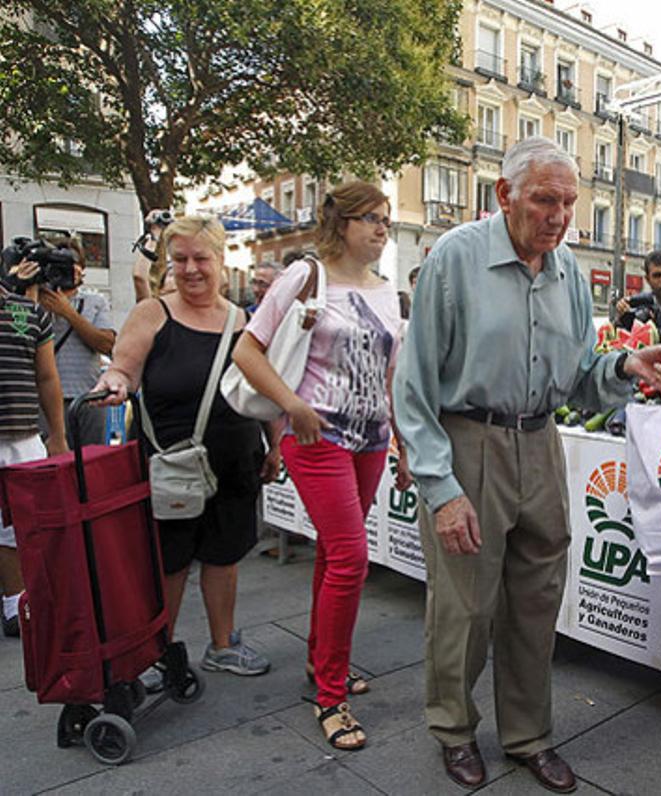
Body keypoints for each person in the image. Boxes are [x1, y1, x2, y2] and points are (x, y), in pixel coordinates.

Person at [394, 136, 661, 792]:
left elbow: (579, 377)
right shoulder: (455, 259)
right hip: (468, 443)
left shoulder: (570, 273)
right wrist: (441, 487)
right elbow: (413, 389)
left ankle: (528, 735)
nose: (559, 216)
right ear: (504, 195)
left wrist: (625, 366)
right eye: (545, 200)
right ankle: (454, 729)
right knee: (462, 608)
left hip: (541, 444)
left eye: (569, 203)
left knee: (535, 600)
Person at [232, 181, 407, 751]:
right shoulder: (306, 276)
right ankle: (331, 696)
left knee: (336, 554)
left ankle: (319, 661)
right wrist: (291, 406)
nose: (382, 229)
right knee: (353, 557)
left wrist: (401, 443)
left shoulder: (387, 293)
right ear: (342, 223)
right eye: (371, 219)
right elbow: (246, 351)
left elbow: (390, 378)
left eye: (386, 219)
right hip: (317, 435)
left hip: (371, 439)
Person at [94, 216, 275, 683]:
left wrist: (277, 445)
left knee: (224, 554)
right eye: (180, 260)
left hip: (234, 462)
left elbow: (262, 388)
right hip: (170, 463)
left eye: (201, 258)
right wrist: (113, 381)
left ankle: (222, 645)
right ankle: (156, 652)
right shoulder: (154, 313)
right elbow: (124, 368)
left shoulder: (241, 319)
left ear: (220, 259)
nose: (191, 269)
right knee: (167, 563)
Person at [0, 277, 67, 637]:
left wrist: (57, 435)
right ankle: (14, 602)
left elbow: (47, 376)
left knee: (23, 524)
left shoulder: (30, 312)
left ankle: (20, 603)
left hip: (23, 435)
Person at [35, 238, 115, 447]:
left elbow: (107, 344)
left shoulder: (95, 300)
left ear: (82, 270)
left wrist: (68, 313)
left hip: (88, 398)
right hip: (46, 401)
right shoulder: (34, 300)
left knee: (89, 463)